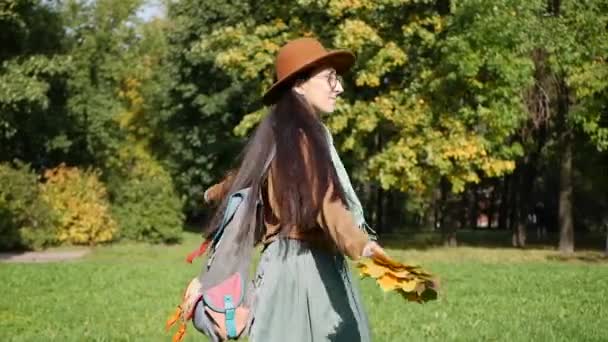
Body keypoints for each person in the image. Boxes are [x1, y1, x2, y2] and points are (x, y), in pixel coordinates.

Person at [203, 37, 386, 342]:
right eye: (330, 78)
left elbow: (241, 180)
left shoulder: (280, 136)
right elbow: (324, 199)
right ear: (299, 84)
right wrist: (361, 244)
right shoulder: (303, 139)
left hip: (284, 270)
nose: (338, 87)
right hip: (305, 272)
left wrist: (211, 193)